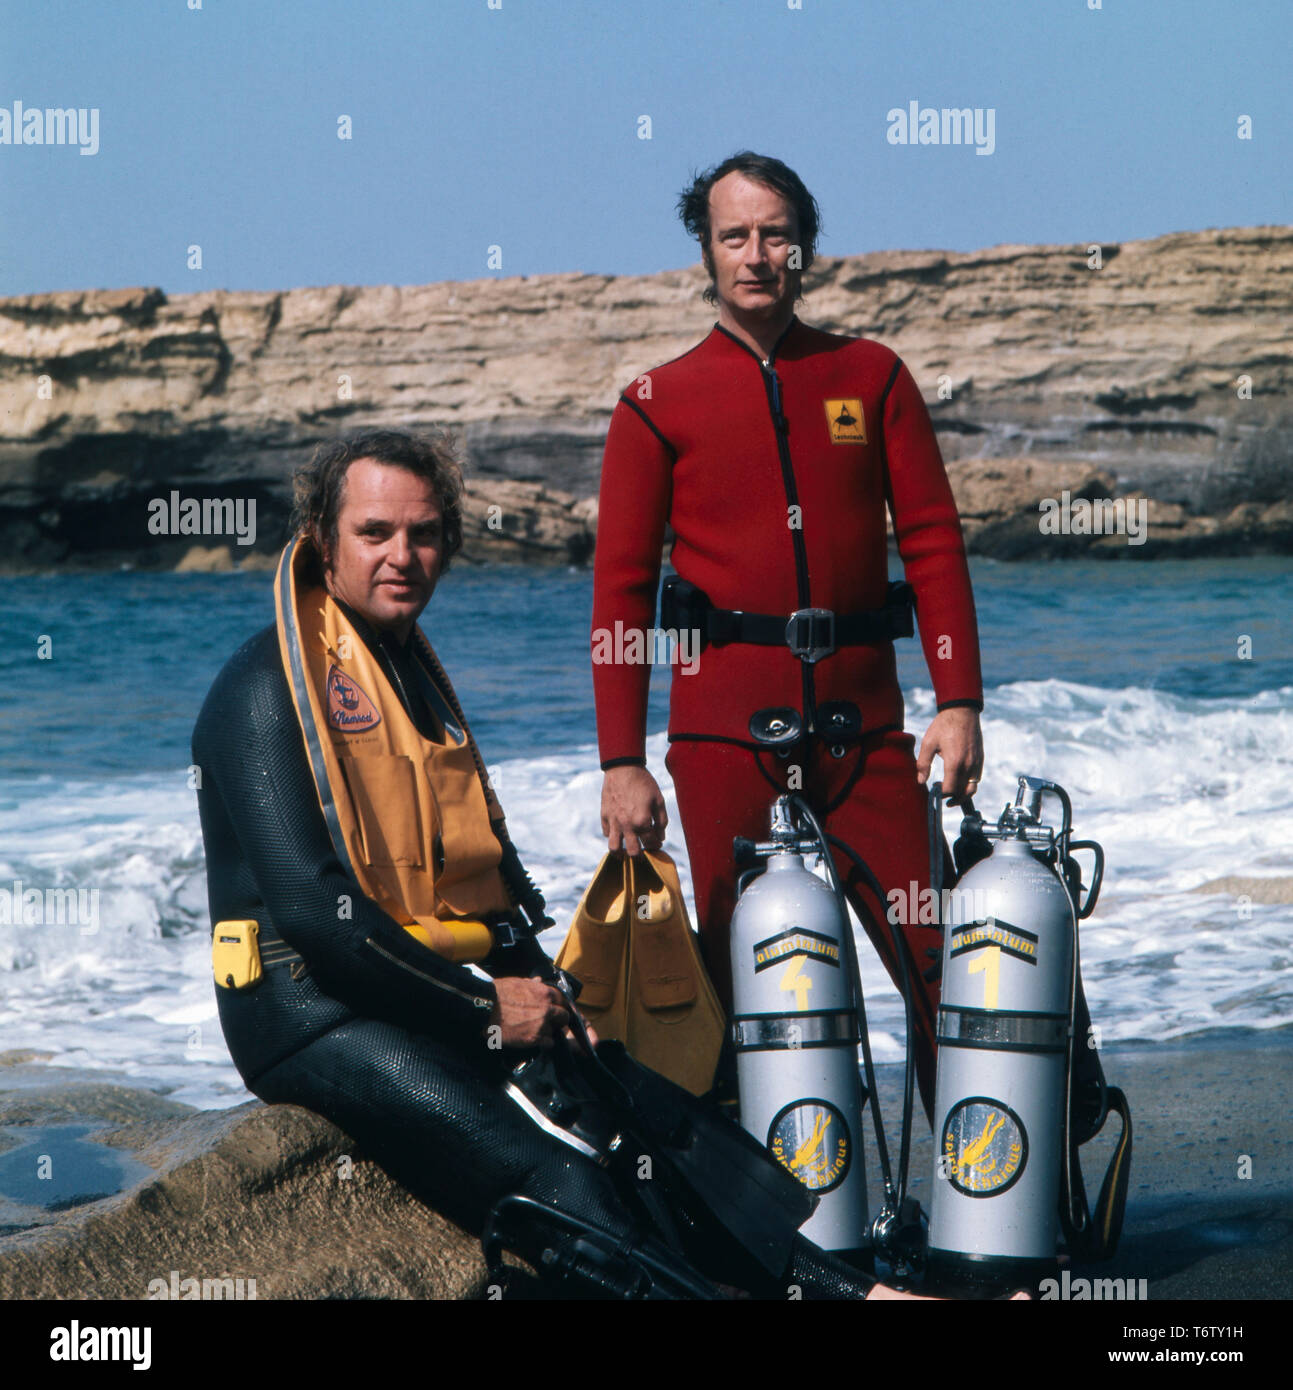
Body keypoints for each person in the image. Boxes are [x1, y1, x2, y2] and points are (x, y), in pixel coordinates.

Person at [191, 427, 940, 1300]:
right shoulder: (263, 686)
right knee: (569, 1183)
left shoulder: (402, 671)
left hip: (410, 988)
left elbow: (473, 880)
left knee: (645, 1122)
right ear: (323, 541)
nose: (403, 556)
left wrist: (538, 990)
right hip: (310, 1013)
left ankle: (869, 1298)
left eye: (424, 534)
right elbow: (317, 913)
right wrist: (484, 1007)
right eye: (374, 533)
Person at [593, 152, 986, 1115]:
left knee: (940, 968)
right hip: (725, 739)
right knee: (742, 991)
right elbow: (622, 590)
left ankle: (981, 1207)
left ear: (802, 245)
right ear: (706, 250)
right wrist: (621, 760)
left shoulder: (871, 376)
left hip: (864, 734)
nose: (755, 254)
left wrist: (960, 701)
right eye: (734, 235)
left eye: (773, 233)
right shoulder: (656, 403)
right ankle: (773, 1243)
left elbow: (932, 544)